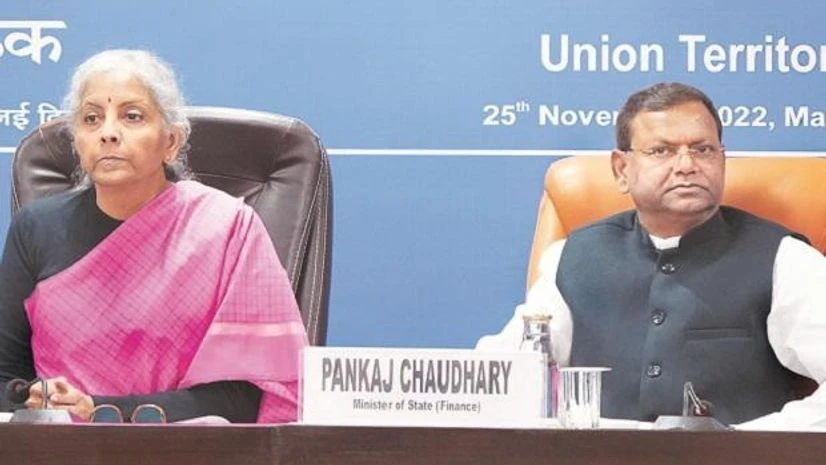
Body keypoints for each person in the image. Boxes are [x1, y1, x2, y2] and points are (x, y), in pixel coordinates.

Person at [477, 82, 826, 428]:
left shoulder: (784, 259)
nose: (687, 164)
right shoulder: (572, 258)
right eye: (662, 151)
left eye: (703, 149)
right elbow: (512, 374)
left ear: (722, 159)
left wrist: (742, 441)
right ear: (621, 170)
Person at [0, 49, 308, 423]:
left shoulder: (228, 229)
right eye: (91, 119)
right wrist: (34, 399)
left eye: (132, 117)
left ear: (171, 142)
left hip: (191, 450)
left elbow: (249, 394)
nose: (108, 133)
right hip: (60, 451)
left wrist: (99, 410)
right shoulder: (36, 229)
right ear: (76, 140)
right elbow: (5, 378)